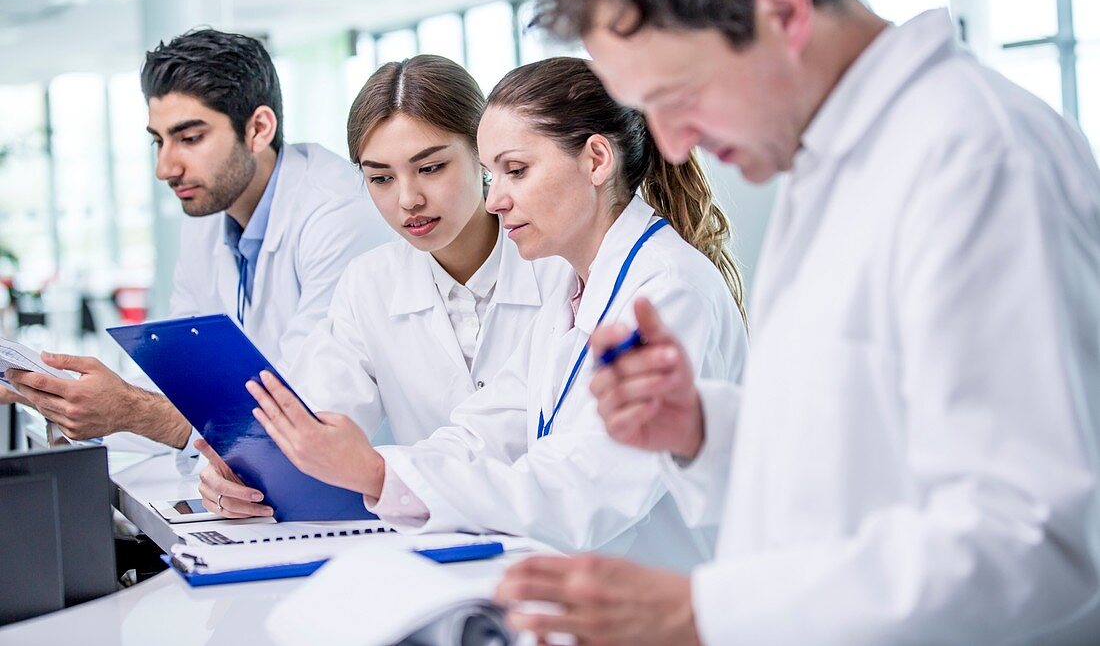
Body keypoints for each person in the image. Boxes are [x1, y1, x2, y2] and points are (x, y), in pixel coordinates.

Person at [494, 0, 1100, 644]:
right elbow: (867, 454)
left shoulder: (975, 157)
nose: (674, 144)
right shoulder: (829, 164)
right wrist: (701, 428)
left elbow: (1035, 535)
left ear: (782, 11)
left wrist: (703, 612)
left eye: (677, 96)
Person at [243, 56, 749, 570]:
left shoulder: (665, 290)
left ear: (596, 161)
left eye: (516, 171)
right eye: (495, 174)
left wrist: (379, 473)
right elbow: (489, 428)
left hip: (670, 608)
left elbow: (588, 491)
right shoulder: (577, 289)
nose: (497, 200)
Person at [195, 55, 572, 519]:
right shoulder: (370, 284)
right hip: (440, 544)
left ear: (483, 153)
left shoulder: (561, 266)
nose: (408, 199)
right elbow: (317, 416)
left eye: (430, 168)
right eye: (380, 178)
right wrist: (243, 472)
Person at [4, 29, 389, 458]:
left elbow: (301, 416)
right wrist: (52, 394)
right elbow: (177, 380)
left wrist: (132, 411)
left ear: (259, 128)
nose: (165, 168)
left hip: (362, 493)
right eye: (158, 140)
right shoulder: (208, 214)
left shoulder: (338, 214)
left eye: (189, 139)